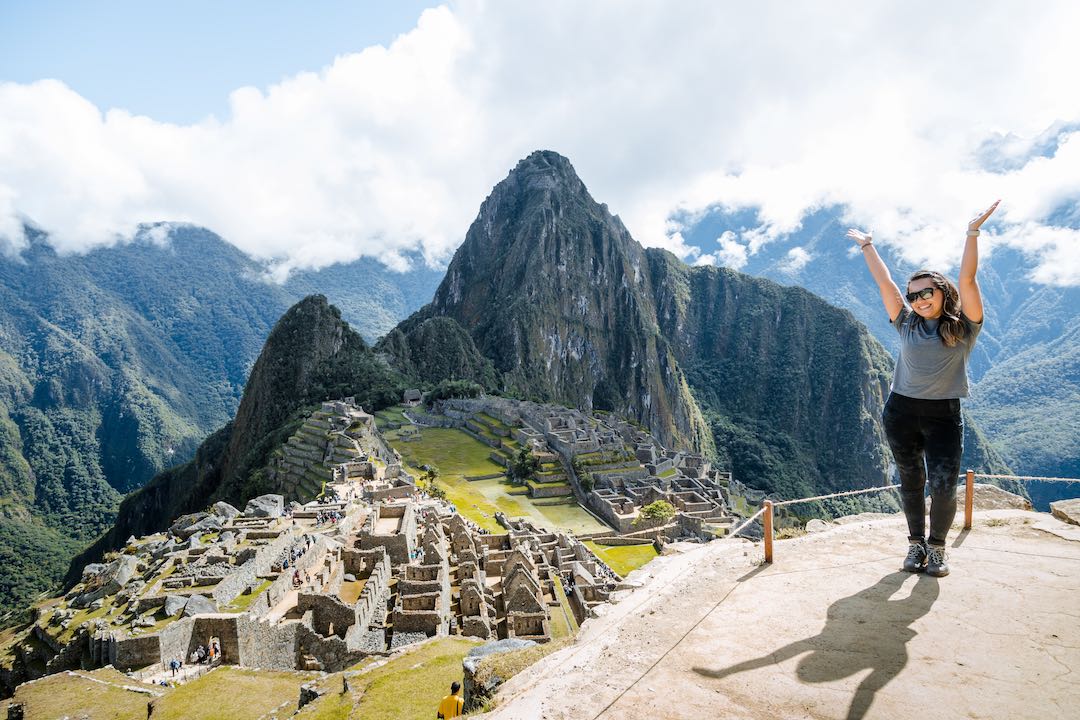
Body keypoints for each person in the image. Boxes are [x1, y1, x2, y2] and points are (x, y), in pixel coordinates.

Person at [848, 199, 999, 577]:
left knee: (945, 486)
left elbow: (968, 280)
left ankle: (938, 549)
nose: (918, 300)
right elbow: (884, 283)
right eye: (913, 295)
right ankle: (915, 545)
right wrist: (868, 245)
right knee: (911, 481)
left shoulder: (964, 326)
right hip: (900, 412)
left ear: (942, 292)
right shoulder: (906, 323)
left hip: (944, 416)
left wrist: (972, 232)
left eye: (925, 292)